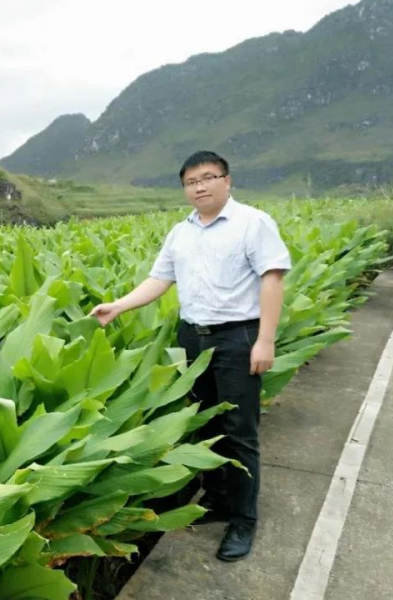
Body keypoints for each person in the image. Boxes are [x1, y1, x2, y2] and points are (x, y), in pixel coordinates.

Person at [91, 150, 291, 562]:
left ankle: (243, 519)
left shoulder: (252, 223)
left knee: (239, 431)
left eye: (208, 177)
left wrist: (265, 340)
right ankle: (217, 501)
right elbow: (159, 280)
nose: (199, 186)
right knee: (205, 423)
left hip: (238, 338)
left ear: (227, 180)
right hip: (193, 339)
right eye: (190, 182)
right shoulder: (180, 232)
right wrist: (118, 306)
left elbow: (272, 278)